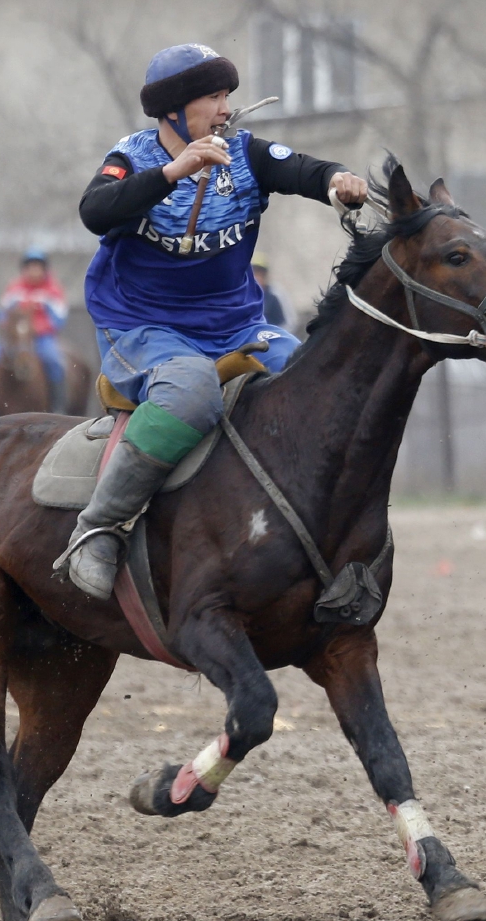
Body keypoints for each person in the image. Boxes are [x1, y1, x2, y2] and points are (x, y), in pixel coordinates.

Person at [55, 43, 371, 599]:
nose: (227, 109)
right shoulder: (129, 157)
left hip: (236, 324)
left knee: (311, 380)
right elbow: (94, 210)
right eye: (215, 97)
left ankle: (327, 543)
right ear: (175, 108)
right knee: (191, 391)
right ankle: (98, 529)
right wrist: (175, 171)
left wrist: (338, 181)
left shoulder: (246, 155)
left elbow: (305, 169)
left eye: (228, 97)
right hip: (141, 326)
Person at [0, 248, 70, 398]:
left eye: (38, 267)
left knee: (54, 362)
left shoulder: (53, 290)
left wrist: (37, 328)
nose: (34, 270)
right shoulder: (14, 288)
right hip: (15, 338)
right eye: (30, 266)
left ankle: (58, 404)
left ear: (44, 269)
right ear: (24, 269)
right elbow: (2, 315)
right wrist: (12, 329)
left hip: (42, 338)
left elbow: (59, 318)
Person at [251, 253, 293, 330]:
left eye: (259, 274)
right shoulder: (241, 297)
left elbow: (288, 322)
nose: (256, 278)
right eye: (254, 274)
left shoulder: (275, 294)